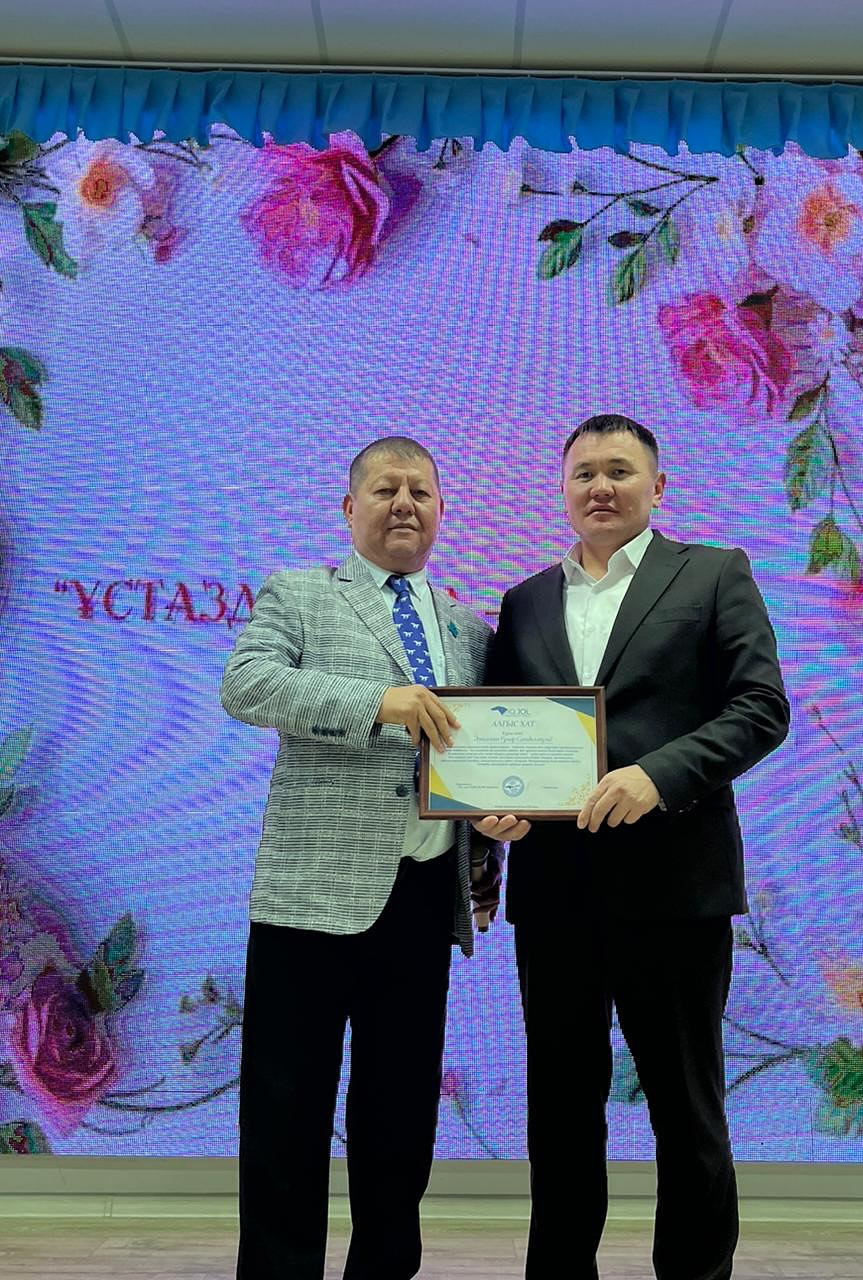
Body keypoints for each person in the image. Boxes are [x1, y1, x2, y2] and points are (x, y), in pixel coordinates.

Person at [487, 414, 790, 1280]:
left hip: (676, 888)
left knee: (685, 1111)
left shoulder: (714, 573)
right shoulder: (525, 600)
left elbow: (761, 708)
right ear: (564, 490)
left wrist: (658, 776)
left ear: (658, 487)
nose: (601, 487)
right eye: (584, 472)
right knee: (559, 1114)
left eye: (620, 471)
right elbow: (502, 735)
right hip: (555, 896)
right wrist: (494, 810)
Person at [221, 436, 526, 1280]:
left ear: (441, 511)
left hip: (424, 898)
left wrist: (497, 818)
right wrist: (379, 702)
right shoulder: (300, 594)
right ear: (349, 507)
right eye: (386, 489)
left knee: (401, 1116)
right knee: (286, 1109)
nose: (404, 504)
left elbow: (481, 755)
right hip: (309, 895)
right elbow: (247, 685)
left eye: (420, 492)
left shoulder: (468, 629)